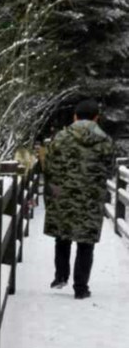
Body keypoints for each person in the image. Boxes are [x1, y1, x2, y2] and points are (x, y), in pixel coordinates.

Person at [44, 100, 114, 299]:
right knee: (86, 244)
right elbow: (108, 170)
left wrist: (54, 192)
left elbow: (48, 167)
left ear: (75, 116)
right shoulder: (105, 141)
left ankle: (60, 276)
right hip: (91, 198)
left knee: (62, 237)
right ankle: (81, 288)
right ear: (96, 117)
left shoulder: (60, 138)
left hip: (63, 196)